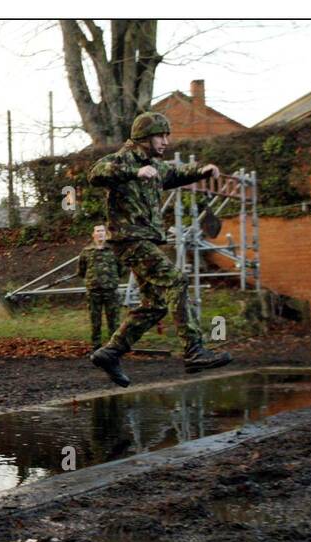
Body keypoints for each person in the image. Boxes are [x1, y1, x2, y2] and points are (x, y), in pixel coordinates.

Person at [86, 111, 232, 387]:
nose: (165, 141)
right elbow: (95, 173)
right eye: (160, 136)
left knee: (155, 305)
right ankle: (193, 351)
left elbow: (174, 174)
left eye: (167, 135)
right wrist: (133, 171)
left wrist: (201, 170)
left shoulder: (153, 165)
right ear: (143, 137)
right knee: (176, 280)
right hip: (130, 239)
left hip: (145, 239)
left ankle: (110, 352)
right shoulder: (123, 160)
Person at [76, 224, 122, 350]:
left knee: (114, 321)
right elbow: (81, 271)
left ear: (106, 233)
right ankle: (96, 347)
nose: (100, 233)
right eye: (97, 231)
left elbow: (121, 269)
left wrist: (112, 280)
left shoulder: (114, 250)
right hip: (94, 292)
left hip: (111, 291)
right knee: (95, 321)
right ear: (93, 234)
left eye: (102, 231)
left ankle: (114, 348)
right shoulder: (86, 252)